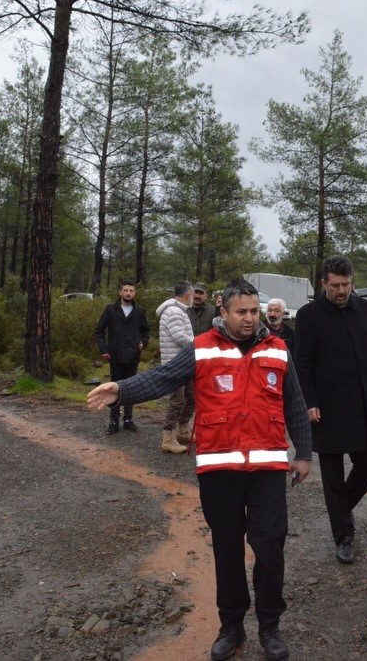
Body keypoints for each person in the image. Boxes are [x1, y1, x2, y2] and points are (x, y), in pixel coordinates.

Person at [87, 278, 312, 661]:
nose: (250, 319)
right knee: (227, 551)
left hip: (267, 469)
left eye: (254, 311)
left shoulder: (278, 349)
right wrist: (121, 390)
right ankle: (231, 626)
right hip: (219, 468)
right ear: (222, 311)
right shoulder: (202, 348)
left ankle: (270, 627)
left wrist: (303, 453)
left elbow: (295, 404)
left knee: (270, 548)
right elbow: (160, 379)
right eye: (241, 312)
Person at [294, 255, 367, 564]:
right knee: (332, 476)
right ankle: (344, 536)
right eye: (335, 286)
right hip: (327, 408)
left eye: (346, 285)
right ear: (323, 284)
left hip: (364, 405)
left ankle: (339, 509)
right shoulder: (309, 316)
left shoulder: (365, 309)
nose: (342, 291)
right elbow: (302, 364)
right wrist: (310, 401)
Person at [94, 279, 150, 434]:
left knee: (131, 387)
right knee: (114, 388)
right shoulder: (111, 310)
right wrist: (104, 349)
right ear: (120, 292)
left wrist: (143, 343)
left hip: (132, 355)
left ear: (134, 293)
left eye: (131, 291)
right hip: (116, 355)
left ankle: (128, 419)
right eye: (125, 290)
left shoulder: (139, 311)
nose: (128, 293)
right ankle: (113, 421)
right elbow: (99, 331)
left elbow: (145, 331)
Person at [156, 281, 195, 453]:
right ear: (187, 295)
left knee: (192, 397)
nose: (193, 298)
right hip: (176, 364)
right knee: (177, 400)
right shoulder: (173, 312)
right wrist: (199, 343)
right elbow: (179, 337)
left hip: (184, 363)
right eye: (193, 295)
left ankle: (182, 430)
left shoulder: (179, 311)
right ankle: (167, 439)